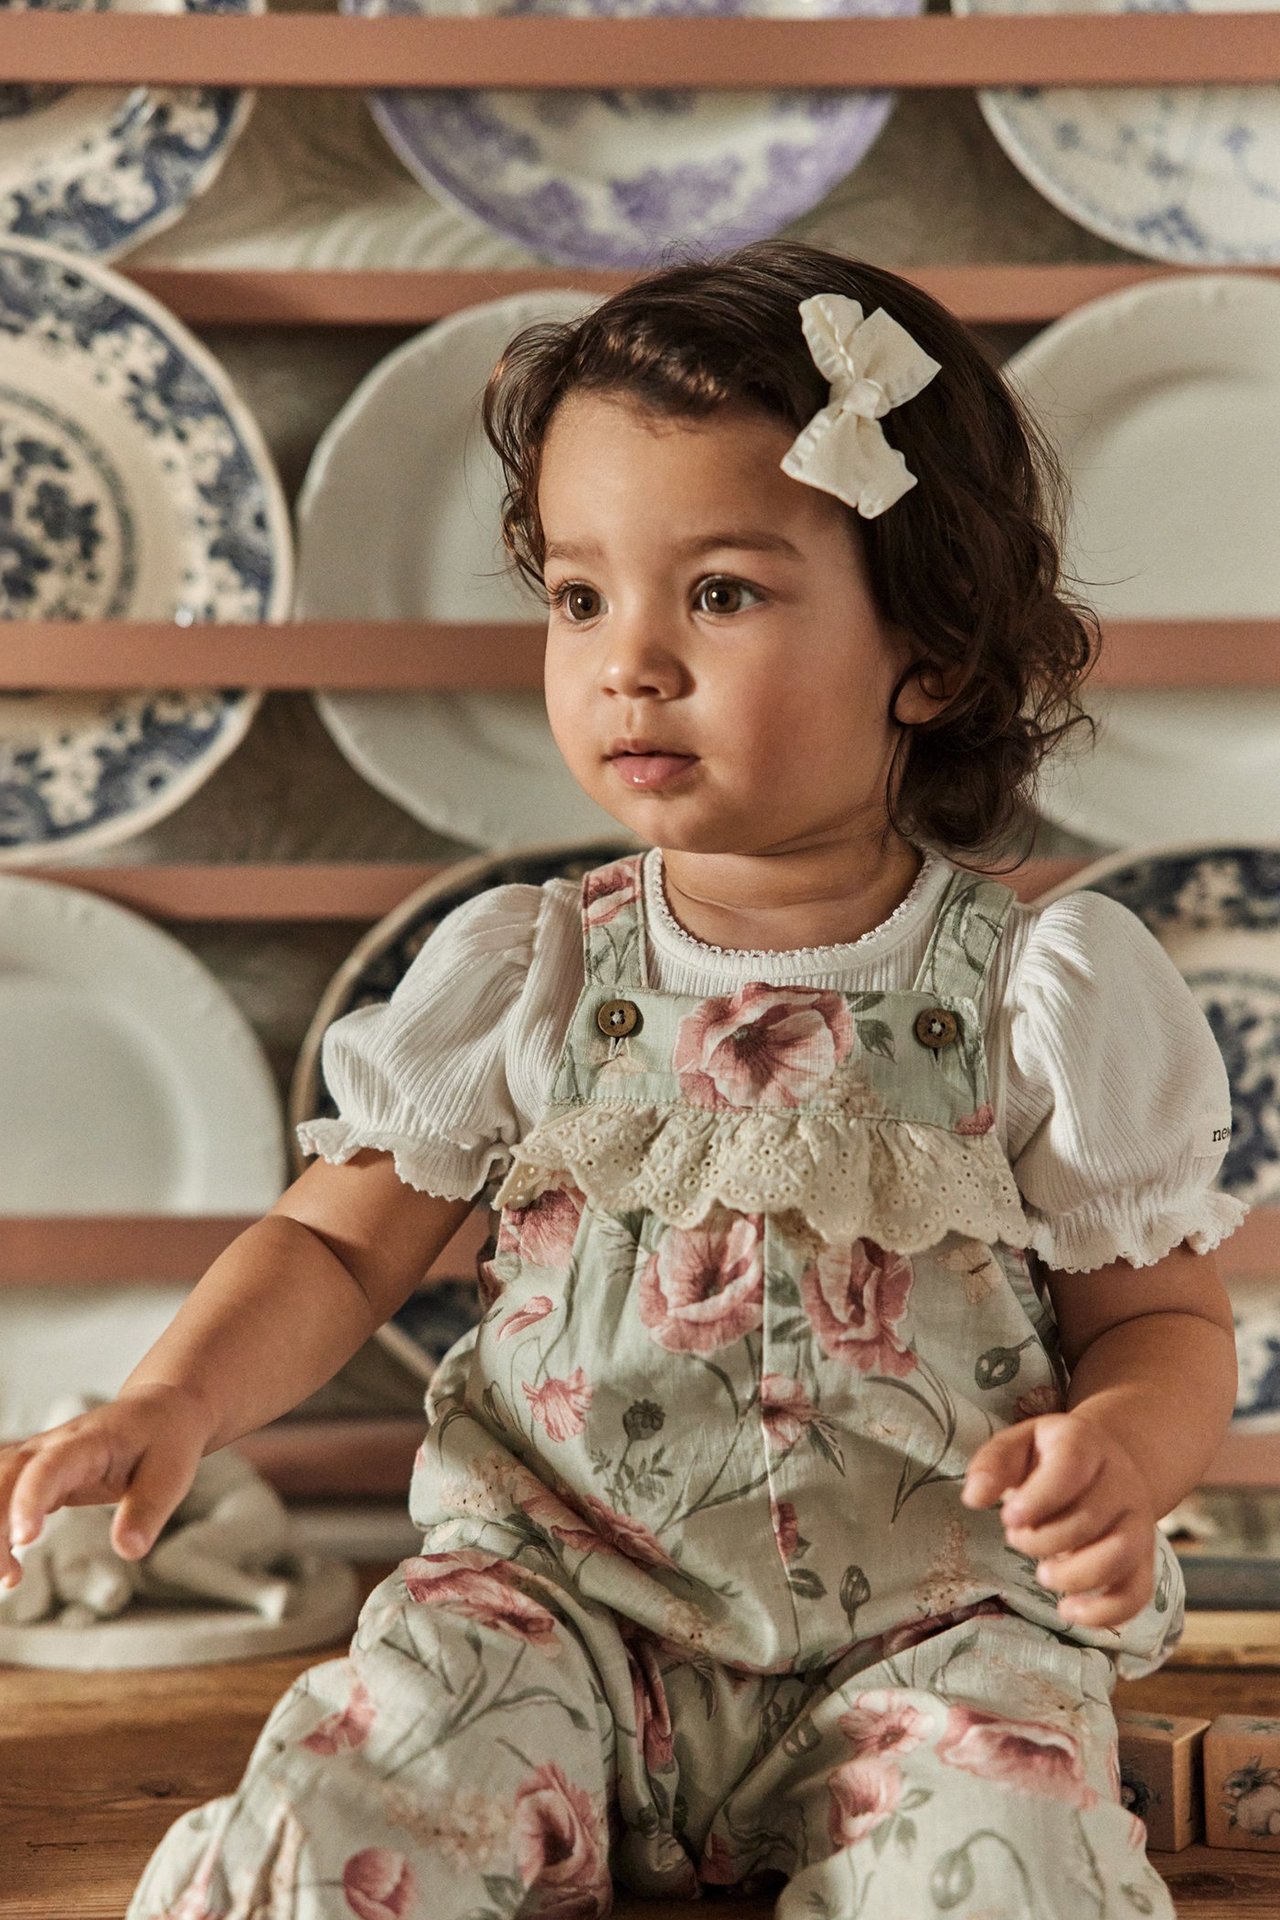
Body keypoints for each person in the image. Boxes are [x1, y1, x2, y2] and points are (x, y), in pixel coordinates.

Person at [0, 240, 1245, 1918]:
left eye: (718, 594)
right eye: (581, 597)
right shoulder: (533, 969)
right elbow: (334, 1244)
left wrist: (1124, 1459)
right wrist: (172, 1400)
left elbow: (1160, 1323)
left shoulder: (1042, 988)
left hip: (929, 1627)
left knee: (1004, 1863)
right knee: (354, 1789)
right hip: (556, 1607)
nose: (626, 661)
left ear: (928, 654)